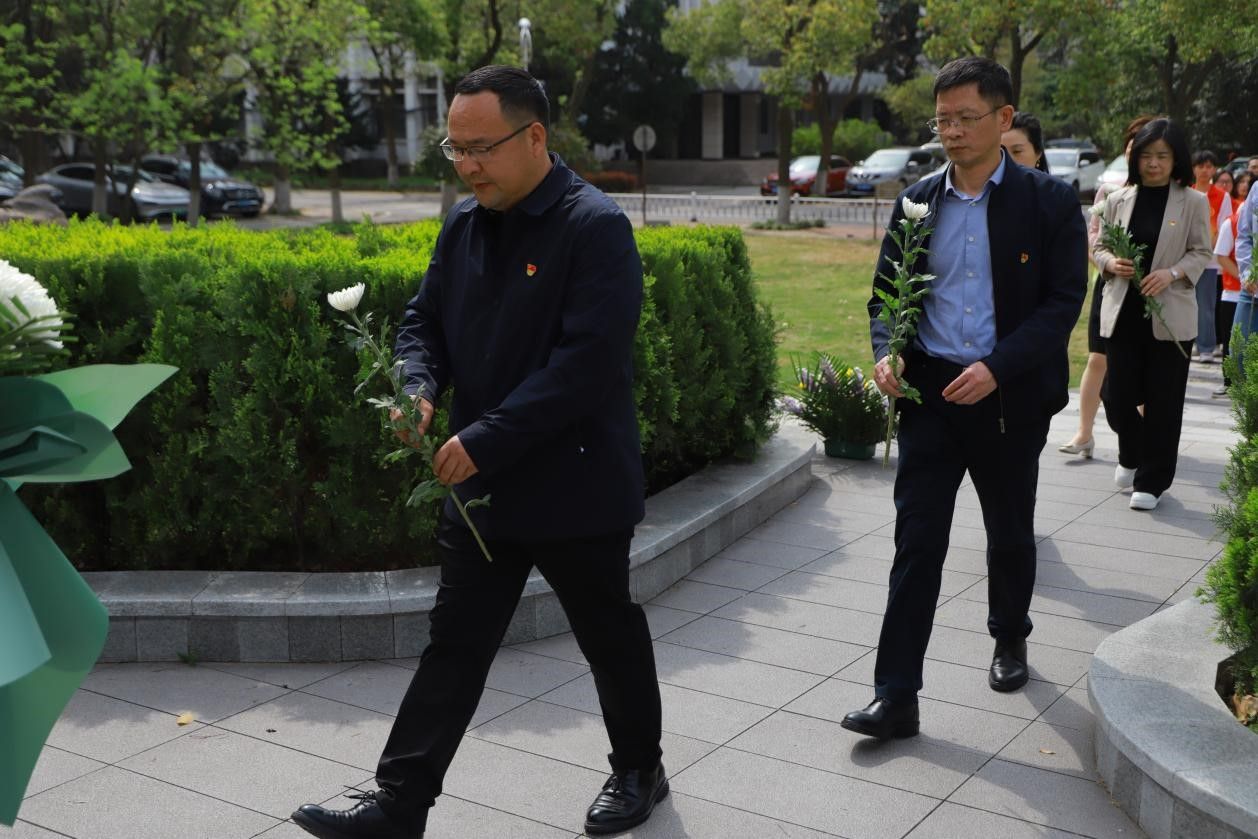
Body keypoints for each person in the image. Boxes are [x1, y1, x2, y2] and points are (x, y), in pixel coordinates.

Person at [291, 65, 666, 839]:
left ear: (535, 136)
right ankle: (399, 803)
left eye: (481, 148)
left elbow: (586, 365)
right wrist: (418, 388)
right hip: (482, 492)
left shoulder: (594, 227)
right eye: (455, 149)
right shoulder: (463, 223)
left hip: (576, 483)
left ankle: (639, 768)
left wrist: (486, 437)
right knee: (455, 643)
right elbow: (422, 322)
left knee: (608, 634)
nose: (466, 165)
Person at [843, 57, 1087, 740]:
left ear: (1003, 118)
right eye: (942, 119)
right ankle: (896, 695)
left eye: (965, 118)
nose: (950, 131)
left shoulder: (1048, 201)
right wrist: (888, 350)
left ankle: (1009, 635)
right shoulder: (918, 201)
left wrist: (998, 368)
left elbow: (1063, 302)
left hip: (1008, 401)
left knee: (1009, 533)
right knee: (916, 542)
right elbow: (885, 296)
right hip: (931, 399)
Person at [1092, 118, 1212, 511]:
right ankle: (1133, 451)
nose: (1154, 163)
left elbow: (1201, 252)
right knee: (1116, 395)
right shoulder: (1117, 199)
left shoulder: (1193, 202)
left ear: (1176, 159)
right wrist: (1111, 263)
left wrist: (1171, 273)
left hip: (1170, 314)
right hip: (1123, 313)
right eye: (1146, 155)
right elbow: (1099, 247)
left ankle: (1152, 479)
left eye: (1162, 156)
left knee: (1164, 401)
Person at [1058, 115, 1155, 458]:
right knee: (1097, 358)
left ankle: (1144, 438)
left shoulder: (1166, 197)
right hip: (1110, 285)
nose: (1137, 153)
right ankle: (1084, 433)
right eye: (1132, 147)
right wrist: (1109, 263)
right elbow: (1093, 238)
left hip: (1148, 289)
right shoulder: (1109, 191)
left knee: (1144, 362)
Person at [1189, 151, 1233, 363]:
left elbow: (1224, 224)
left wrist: (1208, 247)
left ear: (1214, 169)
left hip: (1209, 260)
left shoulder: (1222, 196)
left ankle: (1206, 345)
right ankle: (1192, 342)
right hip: (1186, 258)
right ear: (1193, 169)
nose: (1205, 171)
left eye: (1209, 166)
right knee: (1187, 301)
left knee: (1205, 304)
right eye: (1200, 166)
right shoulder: (1186, 192)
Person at [1214, 200, 1243, 396]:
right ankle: (1229, 381)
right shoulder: (1231, 223)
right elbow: (1221, 256)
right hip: (1234, 293)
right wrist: (1244, 276)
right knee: (1231, 341)